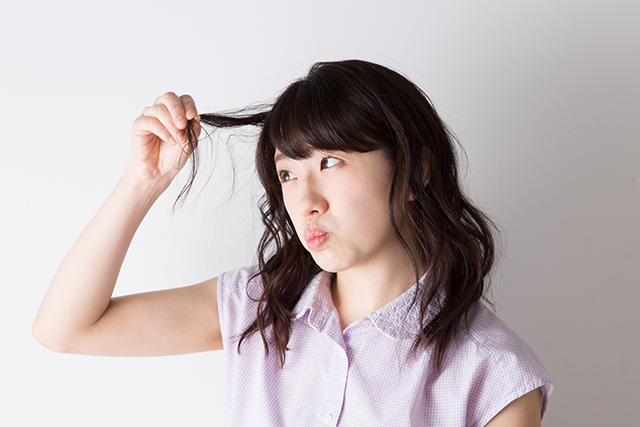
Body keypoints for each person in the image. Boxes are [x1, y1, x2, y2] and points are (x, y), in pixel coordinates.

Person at [33, 60, 553, 426]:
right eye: (287, 174)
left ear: (414, 171)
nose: (305, 201)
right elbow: (65, 329)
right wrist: (141, 180)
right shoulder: (257, 307)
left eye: (330, 162)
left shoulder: (493, 372)